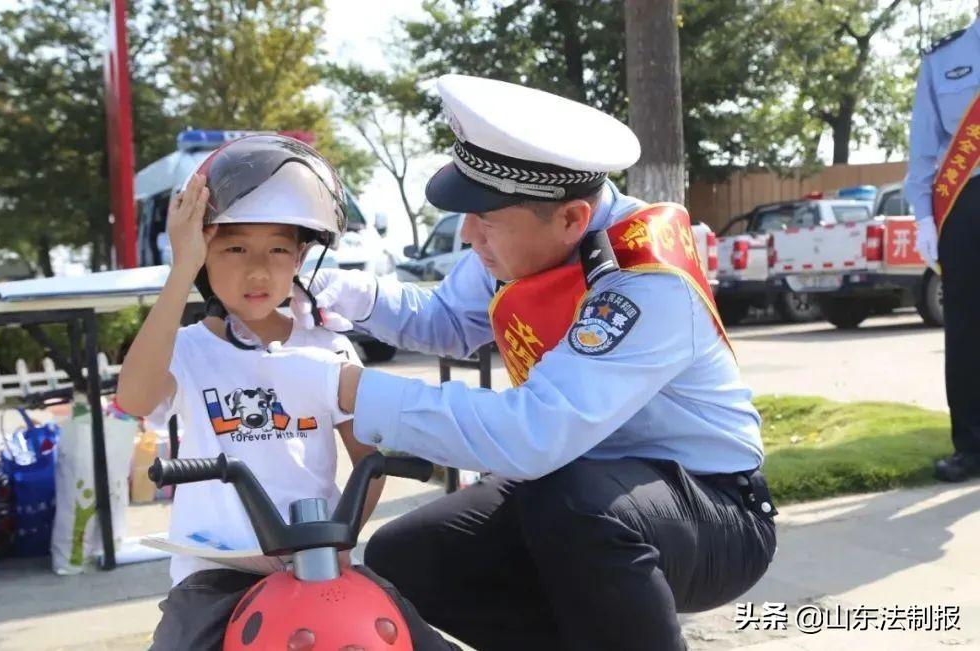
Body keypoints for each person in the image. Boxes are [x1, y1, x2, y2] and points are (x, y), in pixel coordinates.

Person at [285, 75, 777, 650]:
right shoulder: (526, 237)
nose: (469, 235)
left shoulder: (644, 281)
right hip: (573, 488)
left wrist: (348, 390)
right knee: (408, 556)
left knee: (573, 504)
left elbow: (532, 434)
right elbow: (448, 319)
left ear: (571, 218)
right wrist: (349, 294)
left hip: (711, 510)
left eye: (485, 220)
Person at [116, 135, 450, 651]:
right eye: (234, 248)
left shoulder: (330, 348)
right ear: (203, 254)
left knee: (414, 636)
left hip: (315, 558)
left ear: (300, 257)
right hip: (217, 567)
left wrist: (343, 540)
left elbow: (368, 459)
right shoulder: (186, 350)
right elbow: (135, 400)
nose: (258, 269)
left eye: (278, 248)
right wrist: (180, 267)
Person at [905, 15, 980, 483]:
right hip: (965, 204)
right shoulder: (944, 58)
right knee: (967, 330)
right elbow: (924, 147)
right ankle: (970, 446)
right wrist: (923, 217)